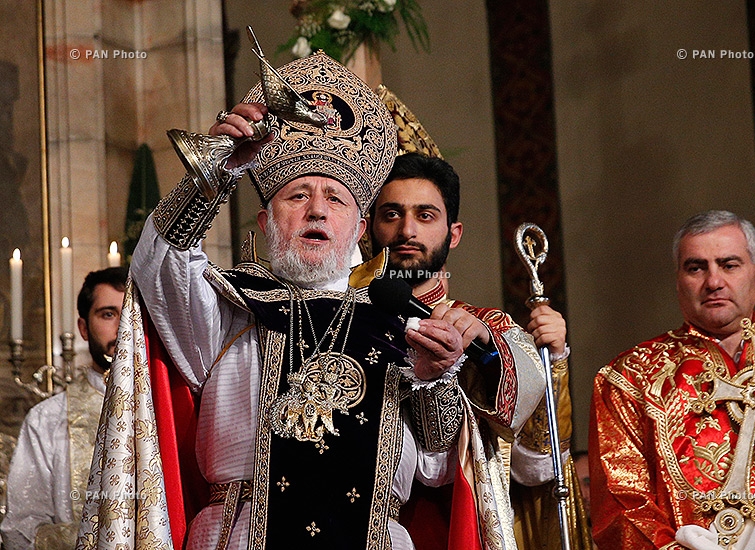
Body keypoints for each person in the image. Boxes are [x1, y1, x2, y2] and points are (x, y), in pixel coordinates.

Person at [77, 52, 542, 550]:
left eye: (336, 198)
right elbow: (160, 262)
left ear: (360, 230)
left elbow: (437, 468)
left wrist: (435, 381)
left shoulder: (403, 323)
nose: (317, 208)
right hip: (242, 533)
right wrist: (214, 170)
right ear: (264, 221)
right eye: (297, 195)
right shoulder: (226, 309)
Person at [370, 151, 591, 549]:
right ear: (367, 226)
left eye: (425, 215)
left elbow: (536, 465)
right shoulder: (338, 319)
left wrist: (544, 360)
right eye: (391, 214)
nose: (407, 231)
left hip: (453, 529)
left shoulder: (487, 328)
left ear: (453, 233)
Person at [589, 210, 755, 549]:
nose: (713, 281)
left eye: (729, 265)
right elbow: (621, 505)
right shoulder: (630, 378)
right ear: (678, 280)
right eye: (696, 267)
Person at [0, 267, 127, 549]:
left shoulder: (173, 407)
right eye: (109, 314)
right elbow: (21, 528)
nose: (124, 326)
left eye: (133, 313)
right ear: (83, 328)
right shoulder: (48, 418)